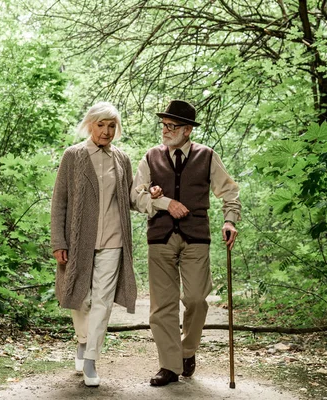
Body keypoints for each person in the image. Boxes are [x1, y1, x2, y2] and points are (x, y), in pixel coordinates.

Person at [131, 99, 241, 386]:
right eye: (164, 125)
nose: (165, 130)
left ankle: (187, 350)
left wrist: (229, 220)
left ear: (188, 130)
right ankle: (169, 365)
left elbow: (229, 191)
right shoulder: (150, 157)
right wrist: (165, 203)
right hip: (160, 237)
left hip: (196, 237)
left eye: (172, 126)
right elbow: (135, 197)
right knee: (162, 306)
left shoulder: (206, 156)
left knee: (195, 300)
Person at [50, 101, 137, 388]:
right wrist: (59, 241)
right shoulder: (73, 156)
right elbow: (59, 201)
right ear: (90, 125)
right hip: (79, 240)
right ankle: (84, 340)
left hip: (114, 239)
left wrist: (154, 194)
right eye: (101, 125)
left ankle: (91, 359)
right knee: (80, 295)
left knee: (102, 300)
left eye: (112, 126)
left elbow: (131, 198)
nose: (106, 131)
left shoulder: (121, 159)